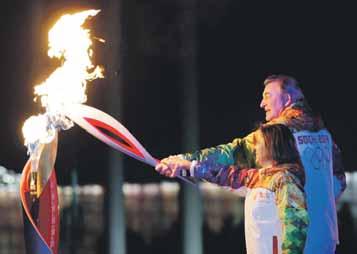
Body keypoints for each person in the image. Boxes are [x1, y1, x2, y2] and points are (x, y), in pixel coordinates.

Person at [155, 74, 346, 254]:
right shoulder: (323, 133)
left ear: (287, 99)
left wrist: (184, 160)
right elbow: (339, 182)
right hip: (325, 238)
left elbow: (231, 153)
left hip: (287, 242)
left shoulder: (276, 134)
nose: (262, 103)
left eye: (268, 96)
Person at [157, 124, 309, 254]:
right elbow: (225, 175)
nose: (254, 148)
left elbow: (296, 225)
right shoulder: (258, 177)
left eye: (259, 142)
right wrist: (187, 167)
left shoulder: (285, 179)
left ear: (272, 145)